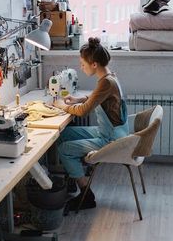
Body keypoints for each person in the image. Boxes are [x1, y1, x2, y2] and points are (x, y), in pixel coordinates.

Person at [53, 37, 129, 215]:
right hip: (110, 132)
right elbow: (96, 99)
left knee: (64, 149)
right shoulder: (110, 77)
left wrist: (62, 106)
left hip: (111, 139)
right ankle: (75, 175)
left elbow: (82, 112)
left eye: (82, 64)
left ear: (94, 64)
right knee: (64, 134)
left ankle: (86, 195)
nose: (81, 67)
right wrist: (79, 99)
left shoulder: (106, 82)